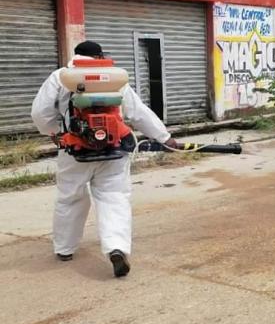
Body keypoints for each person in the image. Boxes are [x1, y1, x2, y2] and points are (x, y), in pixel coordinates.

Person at [31, 41, 178, 277]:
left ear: (75, 56)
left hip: (75, 150)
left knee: (70, 198)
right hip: (114, 149)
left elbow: (40, 113)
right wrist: (165, 137)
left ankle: (65, 249)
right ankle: (116, 248)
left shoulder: (61, 76)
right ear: (99, 56)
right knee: (114, 197)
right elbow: (137, 112)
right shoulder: (114, 77)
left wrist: (56, 133)